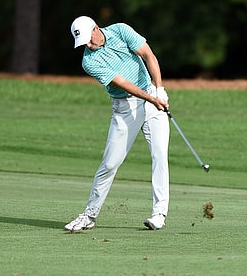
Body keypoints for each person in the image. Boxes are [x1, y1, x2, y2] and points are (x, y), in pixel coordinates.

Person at [65, 16, 170, 231]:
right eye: (83, 42)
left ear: (96, 28)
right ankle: (89, 215)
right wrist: (152, 98)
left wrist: (158, 89)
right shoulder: (89, 62)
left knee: (159, 155)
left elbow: (148, 54)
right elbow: (122, 83)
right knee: (110, 164)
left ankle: (159, 213)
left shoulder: (121, 30)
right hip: (125, 109)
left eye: (88, 39)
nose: (88, 45)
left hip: (152, 96)